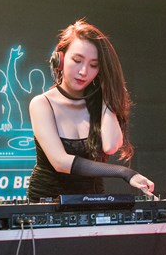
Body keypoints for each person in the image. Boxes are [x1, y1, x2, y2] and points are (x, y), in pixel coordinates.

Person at [27, 20, 154, 201]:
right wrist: (125, 172)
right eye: (77, 61)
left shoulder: (99, 104)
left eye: (94, 65)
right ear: (59, 59)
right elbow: (60, 162)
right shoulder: (42, 104)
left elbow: (110, 146)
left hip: (92, 200)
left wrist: (107, 95)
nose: (84, 71)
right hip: (47, 202)